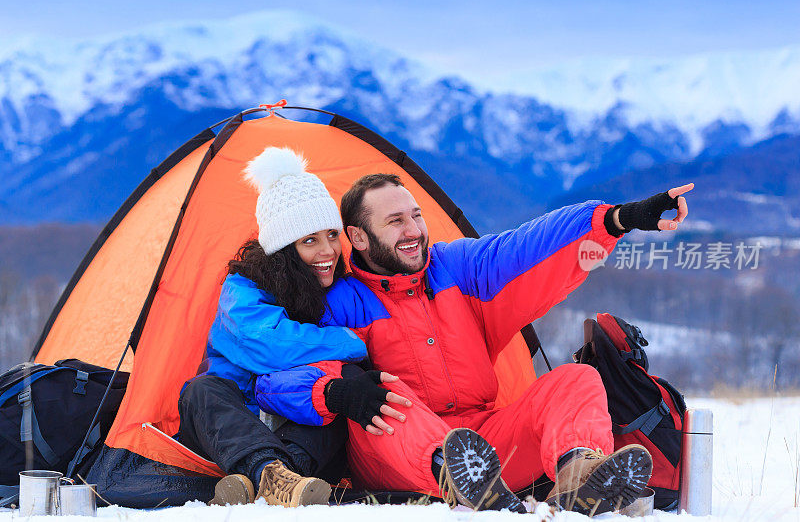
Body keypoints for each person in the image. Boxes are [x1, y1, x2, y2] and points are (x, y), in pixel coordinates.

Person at [255, 173, 694, 516]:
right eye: (395, 221)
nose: (413, 230)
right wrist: (336, 391)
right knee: (387, 396)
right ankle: (457, 476)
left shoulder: (457, 270)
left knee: (576, 378)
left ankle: (579, 476)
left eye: (416, 215)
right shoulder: (341, 303)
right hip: (397, 450)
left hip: (486, 439)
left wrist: (616, 219)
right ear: (358, 238)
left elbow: (528, 246)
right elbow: (278, 376)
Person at [177, 148, 408, 508]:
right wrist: (349, 341)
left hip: (293, 421)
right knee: (201, 391)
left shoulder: (334, 292)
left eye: (332, 235)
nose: (328, 251)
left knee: (335, 398)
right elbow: (269, 345)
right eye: (309, 240)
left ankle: (270, 481)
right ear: (284, 249)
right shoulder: (242, 288)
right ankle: (269, 473)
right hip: (233, 421)